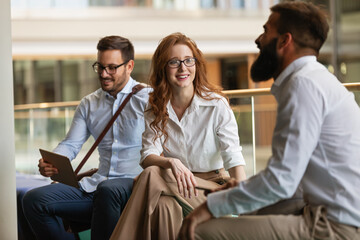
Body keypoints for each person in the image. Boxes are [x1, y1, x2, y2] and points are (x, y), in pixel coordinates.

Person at [179, 2, 360, 240]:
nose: (259, 39)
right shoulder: (316, 80)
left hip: (336, 225)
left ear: (285, 41)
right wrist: (242, 189)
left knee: (198, 230)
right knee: (243, 210)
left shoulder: (303, 87)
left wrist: (208, 207)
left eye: (266, 31)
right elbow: (291, 173)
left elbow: (282, 181)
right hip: (329, 209)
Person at [110, 32, 247, 240]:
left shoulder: (217, 105)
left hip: (211, 188)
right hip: (174, 182)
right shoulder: (155, 106)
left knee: (150, 174)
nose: (183, 68)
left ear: (196, 64)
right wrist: (171, 162)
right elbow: (148, 155)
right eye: (174, 62)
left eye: (188, 60)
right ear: (163, 68)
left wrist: (243, 207)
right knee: (164, 205)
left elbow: (234, 158)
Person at [22, 35, 150, 240]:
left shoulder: (148, 99)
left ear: (130, 66)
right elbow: (71, 144)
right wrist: (52, 162)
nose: (104, 74)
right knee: (33, 200)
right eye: (99, 67)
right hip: (96, 187)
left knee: (109, 191)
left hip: (134, 188)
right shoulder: (89, 103)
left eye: (111, 68)